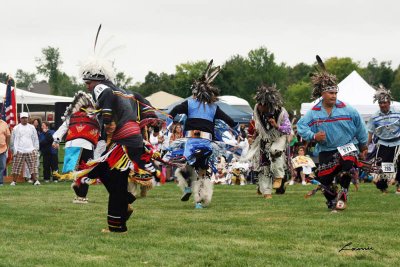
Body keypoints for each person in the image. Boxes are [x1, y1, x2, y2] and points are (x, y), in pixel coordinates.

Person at [78, 55, 161, 233]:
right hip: (133, 143)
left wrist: (107, 118)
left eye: (88, 82)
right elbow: (144, 103)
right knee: (99, 171)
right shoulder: (127, 93)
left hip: (121, 144)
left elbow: (106, 96)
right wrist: (153, 123)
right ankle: (127, 200)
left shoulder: (102, 88)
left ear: (97, 79)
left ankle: (117, 226)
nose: (87, 86)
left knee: (115, 184)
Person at [297, 55, 368, 212]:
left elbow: (360, 126)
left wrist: (363, 145)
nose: (334, 96)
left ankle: (343, 194)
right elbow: (301, 126)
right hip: (326, 150)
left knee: (347, 167)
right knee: (324, 181)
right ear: (322, 94)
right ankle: (332, 199)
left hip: (347, 146)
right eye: (330, 93)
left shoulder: (348, 109)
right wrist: (314, 136)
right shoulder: (314, 112)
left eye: (335, 93)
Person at [169, 60, 237, 209]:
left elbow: (174, 110)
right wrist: (234, 126)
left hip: (194, 142)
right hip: (203, 143)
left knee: (187, 165)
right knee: (201, 170)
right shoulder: (212, 107)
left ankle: (190, 190)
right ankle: (197, 199)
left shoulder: (191, 104)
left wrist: (169, 117)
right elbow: (229, 120)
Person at [52, 91, 100, 203]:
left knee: (77, 170)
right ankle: (81, 196)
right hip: (85, 145)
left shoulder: (71, 117)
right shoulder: (94, 116)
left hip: (71, 145)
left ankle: (79, 193)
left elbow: (62, 128)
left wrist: (56, 140)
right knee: (85, 171)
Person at [245, 84, 291, 199]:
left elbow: (288, 129)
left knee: (275, 151)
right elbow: (255, 123)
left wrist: (277, 126)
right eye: (259, 103)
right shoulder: (256, 109)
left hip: (279, 137)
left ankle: (279, 177)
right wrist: (253, 135)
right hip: (264, 138)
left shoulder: (281, 112)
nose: (260, 106)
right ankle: (266, 192)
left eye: (262, 104)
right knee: (264, 165)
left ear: (268, 104)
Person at [366, 85, 400, 194]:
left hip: (397, 142)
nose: (383, 105)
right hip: (382, 143)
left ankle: (398, 184)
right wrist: (365, 147)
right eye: (380, 103)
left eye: (385, 103)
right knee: (383, 166)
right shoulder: (374, 116)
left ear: (389, 102)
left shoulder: (398, 113)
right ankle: (383, 187)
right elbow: (370, 132)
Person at [10, 112, 40, 186]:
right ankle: (14, 181)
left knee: (33, 166)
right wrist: (13, 149)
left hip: (30, 149)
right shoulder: (16, 128)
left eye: (25, 118)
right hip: (19, 150)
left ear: (28, 118)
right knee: (16, 167)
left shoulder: (32, 127)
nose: (24, 119)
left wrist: (36, 148)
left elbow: (35, 138)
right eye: (23, 118)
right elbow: (12, 140)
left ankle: (35, 181)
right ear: (20, 119)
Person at [0, 117, 11, 186]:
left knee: (2, 166)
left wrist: (7, 146)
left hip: (3, 149)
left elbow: (8, 136)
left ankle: (0, 182)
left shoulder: (4, 124)